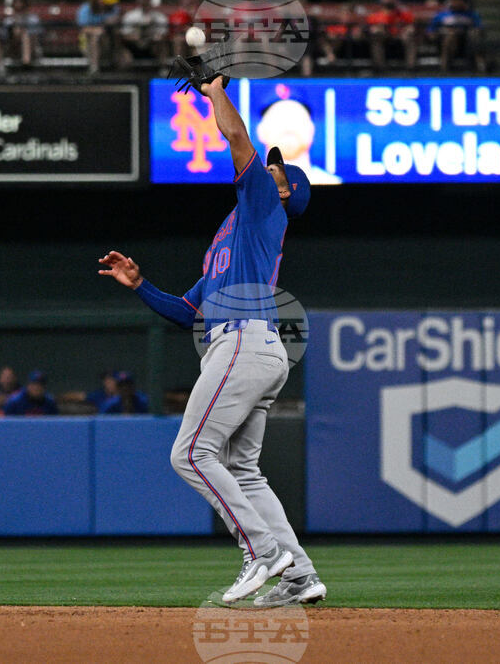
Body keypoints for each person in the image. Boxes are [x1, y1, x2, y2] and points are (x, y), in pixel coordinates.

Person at [98, 74, 325, 607]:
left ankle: (265, 555)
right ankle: (301, 577)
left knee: (190, 454)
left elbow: (237, 140)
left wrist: (215, 89)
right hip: (250, 345)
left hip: (243, 343)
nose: (268, 166)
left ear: (285, 189)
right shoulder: (233, 232)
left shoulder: (266, 204)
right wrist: (141, 285)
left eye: (278, 168)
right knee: (242, 470)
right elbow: (186, 312)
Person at [255, 83, 342, 185]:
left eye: (297, 119)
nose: (288, 127)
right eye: (278, 119)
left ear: (312, 129)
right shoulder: (248, 187)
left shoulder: (331, 183)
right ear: (260, 131)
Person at [427, 0, 488, 72]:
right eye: (453, 0)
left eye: (458, 0)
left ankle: (479, 65)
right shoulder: (442, 15)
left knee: (474, 34)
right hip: (446, 42)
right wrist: (441, 32)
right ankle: (444, 67)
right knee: (450, 36)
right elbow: (431, 30)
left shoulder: (472, 15)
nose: (455, 2)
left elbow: (480, 28)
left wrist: (465, 31)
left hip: (466, 43)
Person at [366, 0, 417, 70]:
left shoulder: (404, 15)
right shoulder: (375, 16)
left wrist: (407, 30)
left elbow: (411, 26)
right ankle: (380, 68)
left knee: (409, 37)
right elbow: (370, 29)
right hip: (384, 36)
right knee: (376, 37)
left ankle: (410, 67)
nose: (389, 0)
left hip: (400, 35)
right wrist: (375, 29)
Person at [118, 0, 168, 69]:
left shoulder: (159, 16)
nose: (144, 0)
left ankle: (163, 70)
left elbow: (163, 34)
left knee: (161, 44)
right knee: (123, 48)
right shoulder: (130, 16)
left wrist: (153, 37)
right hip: (134, 45)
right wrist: (137, 37)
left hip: (152, 45)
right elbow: (124, 35)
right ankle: (124, 74)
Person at [77, 0, 119, 74]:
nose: (107, 4)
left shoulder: (113, 8)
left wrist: (113, 21)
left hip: (109, 43)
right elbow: (83, 29)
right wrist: (98, 30)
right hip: (87, 45)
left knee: (126, 61)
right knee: (95, 37)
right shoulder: (85, 9)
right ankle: (94, 69)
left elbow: (115, 23)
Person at [4, 0, 42, 67]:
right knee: (17, 31)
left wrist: (23, 31)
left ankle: (26, 61)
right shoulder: (8, 20)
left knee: (25, 35)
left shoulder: (33, 19)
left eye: (21, 2)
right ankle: (26, 62)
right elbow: (4, 37)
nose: (19, 5)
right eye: (17, 2)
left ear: (25, 5)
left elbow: (37, 35)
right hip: (13, 47)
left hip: (32, 46)